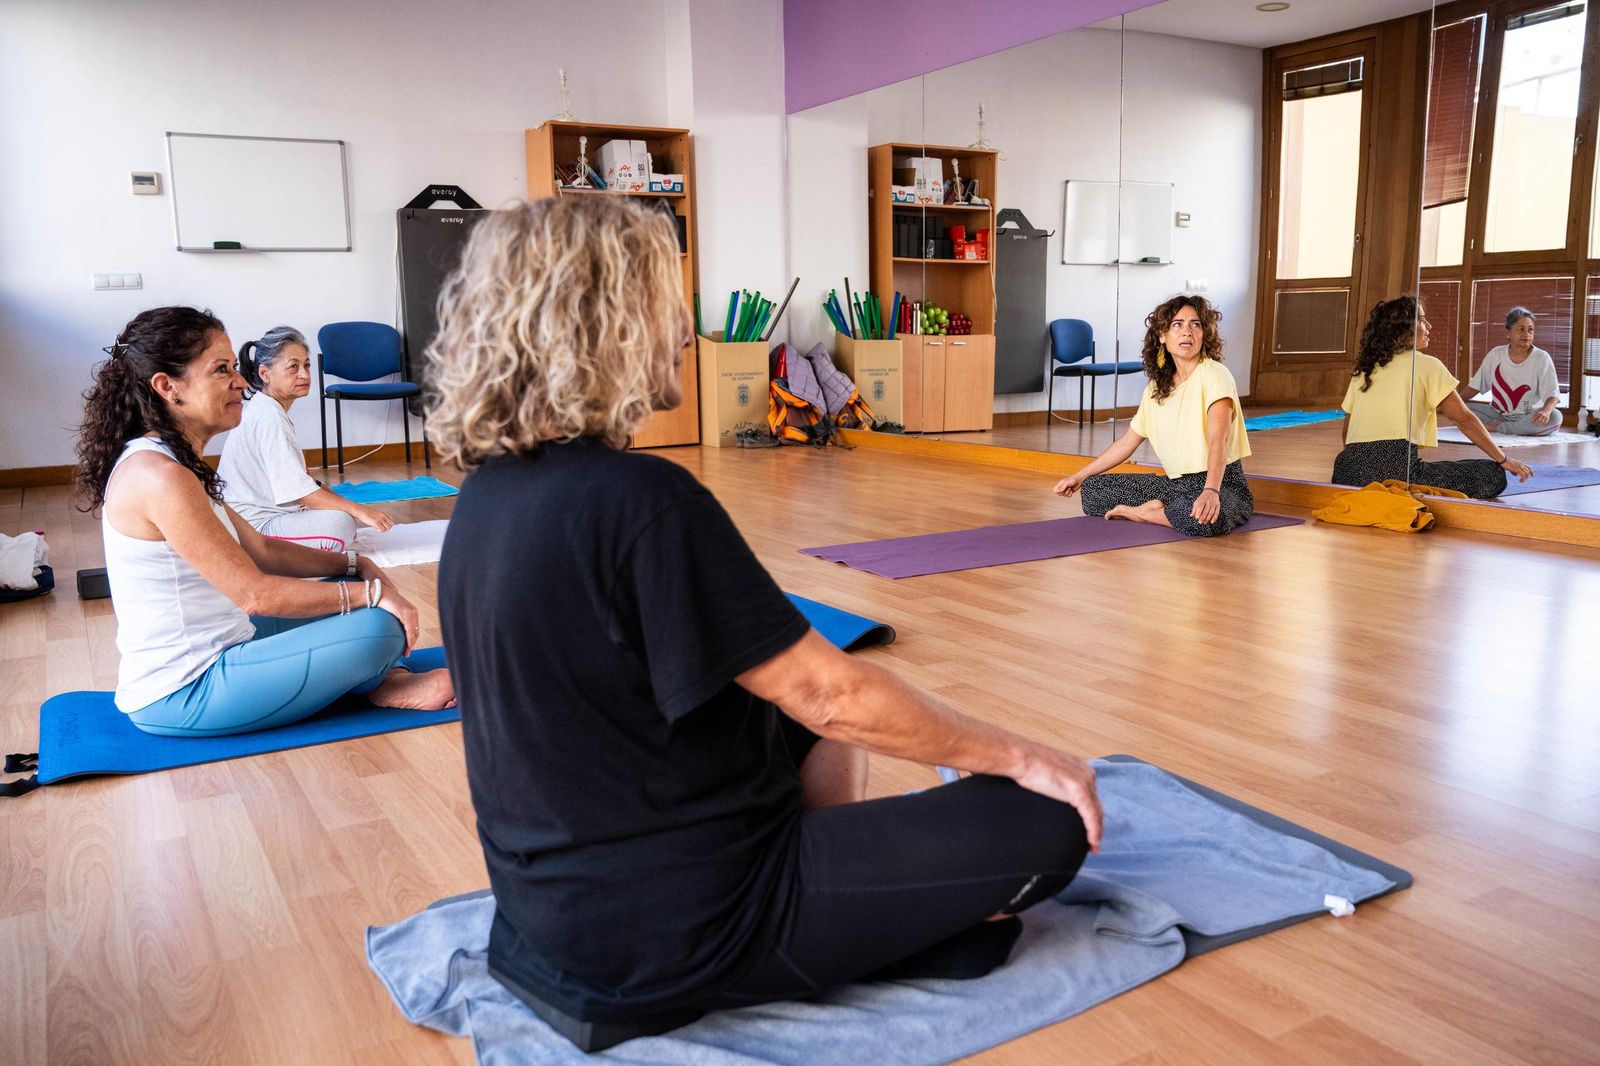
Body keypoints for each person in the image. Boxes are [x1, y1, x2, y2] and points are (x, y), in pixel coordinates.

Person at [428, 196, 1103, 1042]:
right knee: (1046, 820)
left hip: (546, 925)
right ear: (603, 322)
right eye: (661, 301)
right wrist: (1022, 756)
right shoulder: (640, 500)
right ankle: (828, 928)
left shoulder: (484, 497)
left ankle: (846, 909)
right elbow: (829, 696)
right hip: (674, 934)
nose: (681, 329)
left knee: (796, 686)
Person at [74, 306, 452, 736]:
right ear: (167, 387)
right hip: (185, 691)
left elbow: (262, 549)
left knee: (341, 595)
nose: (239, 381)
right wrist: (374, 591)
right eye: (221, 370)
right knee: (379, 629)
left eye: (235, 366)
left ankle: (384, 679)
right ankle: (384, 678)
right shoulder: (160, 476)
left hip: (230, 636)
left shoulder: (175, 461)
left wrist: (352, 567)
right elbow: (256, 593)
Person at [1052, 295, 1254, 537]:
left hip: (1223, 484)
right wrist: (1079, 476)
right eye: (1177, 324)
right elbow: (1127, 442)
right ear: (1162, 336)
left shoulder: (1215, 375)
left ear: (1204, 333)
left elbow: (1218, 440)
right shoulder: (1156, 388)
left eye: (1195, 324)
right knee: (1094, 491)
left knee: (1206, 518)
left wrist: (1211, 490)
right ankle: (1164, 510)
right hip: (1177, 485)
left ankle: (1143, 513)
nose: (1187, 332)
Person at [1332, 295, 1532, 498]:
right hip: (1397, 473)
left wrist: (1360, 466)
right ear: (1405, 329)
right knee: (1492, 474)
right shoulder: (1427, 365)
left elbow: (1348, 426)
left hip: (1346, 472)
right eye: (1422, 319)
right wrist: (1503, 459)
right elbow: (1463, 418)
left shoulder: (1366, 369)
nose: (1428, 326)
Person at [219, 325, 394, 551]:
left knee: (340, 512)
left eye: (306, 365)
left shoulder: (266, 409)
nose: (304, 374)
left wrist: (351, 506)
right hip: (254, 529)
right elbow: (300, 493)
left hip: (252, 521)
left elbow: (304, 483)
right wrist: (359, 511)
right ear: (265, 373)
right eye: (293, 367)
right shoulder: (269, 417)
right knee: (340, 524)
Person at [1460, 307, 1563, 436]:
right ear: (1508, 333)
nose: (1527, 334)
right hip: (1498, 414)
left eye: (1530, 329)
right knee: (1462, 409)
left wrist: (1546, 411)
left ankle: (1498, 428)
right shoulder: (1495, 354)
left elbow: (1552, 394)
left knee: (1555, 417)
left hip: (1529, 416)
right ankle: (1510, 427)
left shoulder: (1542, 357)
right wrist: (1453, 404)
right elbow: (1474, 387)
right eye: (1521, 329)